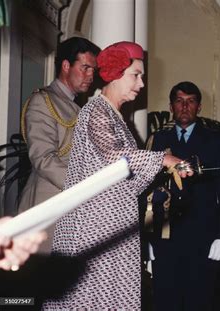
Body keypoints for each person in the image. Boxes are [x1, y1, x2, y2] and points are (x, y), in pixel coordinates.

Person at [43, 42, 191, 310]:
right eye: (136, 75)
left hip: (113, 225)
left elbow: (125, 178)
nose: (142, 83)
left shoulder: (116, 117)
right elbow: (113, 156)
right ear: (114, 73)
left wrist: (160, 172)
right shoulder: (96, 111)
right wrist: (163, 159)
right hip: (91, 229)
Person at [148, 81, 220, 311]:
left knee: (201, 301)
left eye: (190, 101)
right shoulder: (158, 141)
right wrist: (147, 236)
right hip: (165, 236)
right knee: (164, 301)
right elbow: (147, 191)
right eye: (179, 101)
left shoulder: (216, 140)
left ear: (199, 106)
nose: (184, 107)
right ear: (171, 106)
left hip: (203, 236)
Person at [19, 37, 100, 252]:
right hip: (48, 206)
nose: (91, 75)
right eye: (85, 68)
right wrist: (87, 186)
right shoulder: (43, 101)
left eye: (93, 69)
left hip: (69, 207)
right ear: (66, 66)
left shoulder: (74, 107)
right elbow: (43, 159)